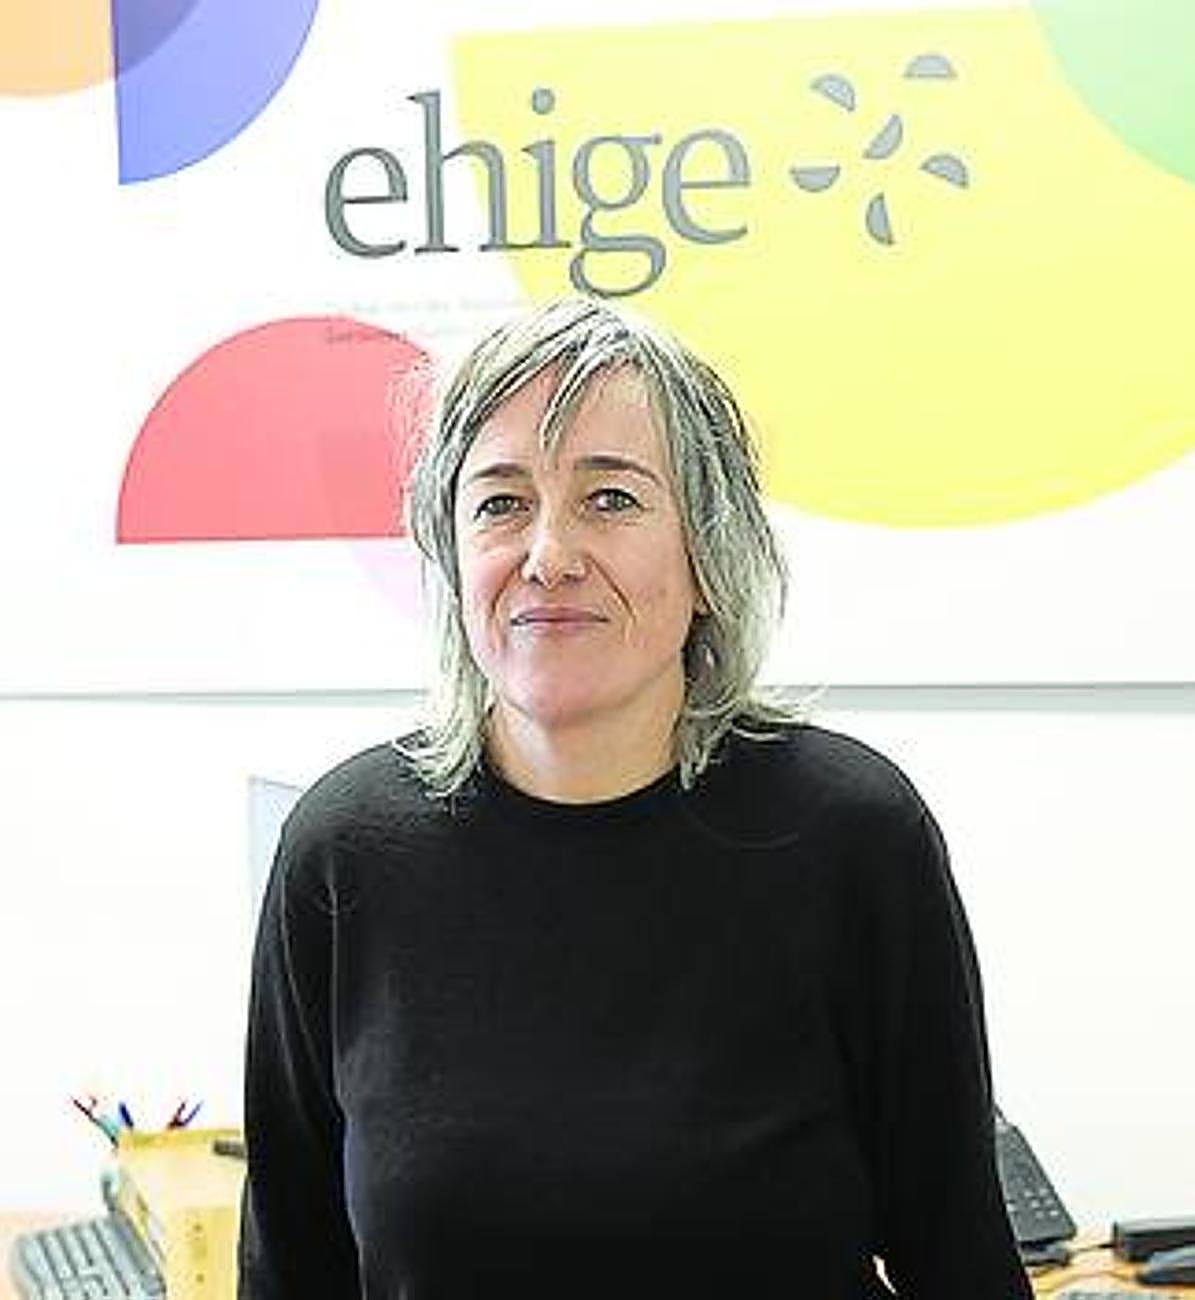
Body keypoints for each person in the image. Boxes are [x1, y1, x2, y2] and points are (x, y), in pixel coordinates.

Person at [239, 297, 1031, 1299]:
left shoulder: (850, 833)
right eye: (499, 503)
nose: (548, 555)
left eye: (609, 498)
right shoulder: (343, 850)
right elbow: (290, 1265)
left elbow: (957, 1253)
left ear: (706, 553)